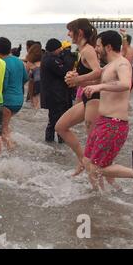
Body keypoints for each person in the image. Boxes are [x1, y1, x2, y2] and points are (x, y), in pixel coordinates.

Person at [81, 31, 133, 190]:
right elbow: (96, 81)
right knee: (87, 162)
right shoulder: (109, 67)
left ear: (108, 47)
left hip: (114, 124)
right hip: (103, 121)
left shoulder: (122, 64)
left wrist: (100, 86)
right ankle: (100, 195)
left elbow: (126, 84)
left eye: (98, 46)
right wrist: (76, 80)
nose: (96, 49)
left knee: (97, 167)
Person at [55, 18, 101, 176]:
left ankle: (100, 185)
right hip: (89, 97)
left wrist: (77, 80)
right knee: (60, 126)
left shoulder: (88, 49)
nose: (68, 34)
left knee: (92, 143)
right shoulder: (82, 51)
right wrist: (74, 75)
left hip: (96, 98)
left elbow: (98, 72)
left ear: (79, 32)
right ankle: (82, 159)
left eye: (70, 30)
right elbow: (90, 74)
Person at [0, 37, 28, 150]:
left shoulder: (1, 63)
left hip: (7, 101)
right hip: (19, 101)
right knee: (6, 126)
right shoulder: (19, 61)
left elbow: (3, 85)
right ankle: (12, 146)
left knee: (2, 130)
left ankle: (12, 153)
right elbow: (25, 78)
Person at [40, 39, 72, 143]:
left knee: (54, 121)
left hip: (53, 95)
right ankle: (57, 143)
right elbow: (65, 70)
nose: (61, 51)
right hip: (55, 96)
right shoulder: (51, 60)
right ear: (55, 49)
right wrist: (67, 55)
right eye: (60, 49)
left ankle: (51, 143)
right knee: (57, 121)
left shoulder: (48, 58)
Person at [25, 43, 42, 109]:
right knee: (41, 104)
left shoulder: (29, 63)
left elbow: (25, 76)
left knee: (35, 105)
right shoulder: (43, 61)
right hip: (44, 84)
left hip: (36, 84)